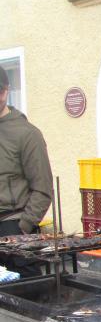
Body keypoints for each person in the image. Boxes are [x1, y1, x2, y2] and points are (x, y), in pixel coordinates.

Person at [0, 65, 53, 277]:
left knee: (27, 296)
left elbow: (43, 188)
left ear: (5, 91)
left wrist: (24, 226)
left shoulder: (27, 134)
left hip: (14, 227)